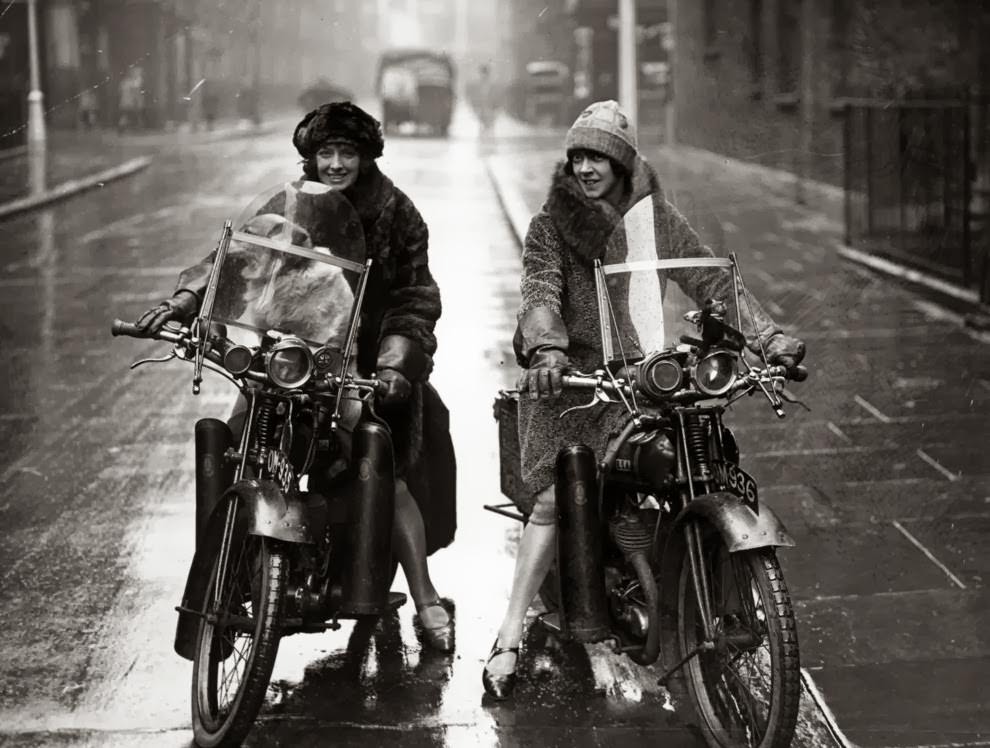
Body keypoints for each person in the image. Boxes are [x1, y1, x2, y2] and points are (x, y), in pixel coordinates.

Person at [482, 100, 806, 699]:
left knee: (708, 458)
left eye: (599, 157)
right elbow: (539, 287)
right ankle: (507, 634)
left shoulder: (654, 219)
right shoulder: (551, 224)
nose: (585, 167)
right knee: (559, 492)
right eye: (578, 155)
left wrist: (767, 336)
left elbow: (709, 278)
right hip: (574, 385)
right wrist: (549, 350)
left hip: (641, 377)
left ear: (623, 164)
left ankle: (695, 587)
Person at [135, 101, 457, 652]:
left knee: (383, 462)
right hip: (284, 359)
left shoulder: (398, 212)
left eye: (346, 153)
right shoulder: (288, 204)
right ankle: (224, 588)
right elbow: (233, 257)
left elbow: (414, 296)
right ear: (310, 156)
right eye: (325, 152)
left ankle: (425, 599)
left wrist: (395, 363)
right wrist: (187, 299)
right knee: (235, 444)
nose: (335, 164)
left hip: (362, 366)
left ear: (366, 156)